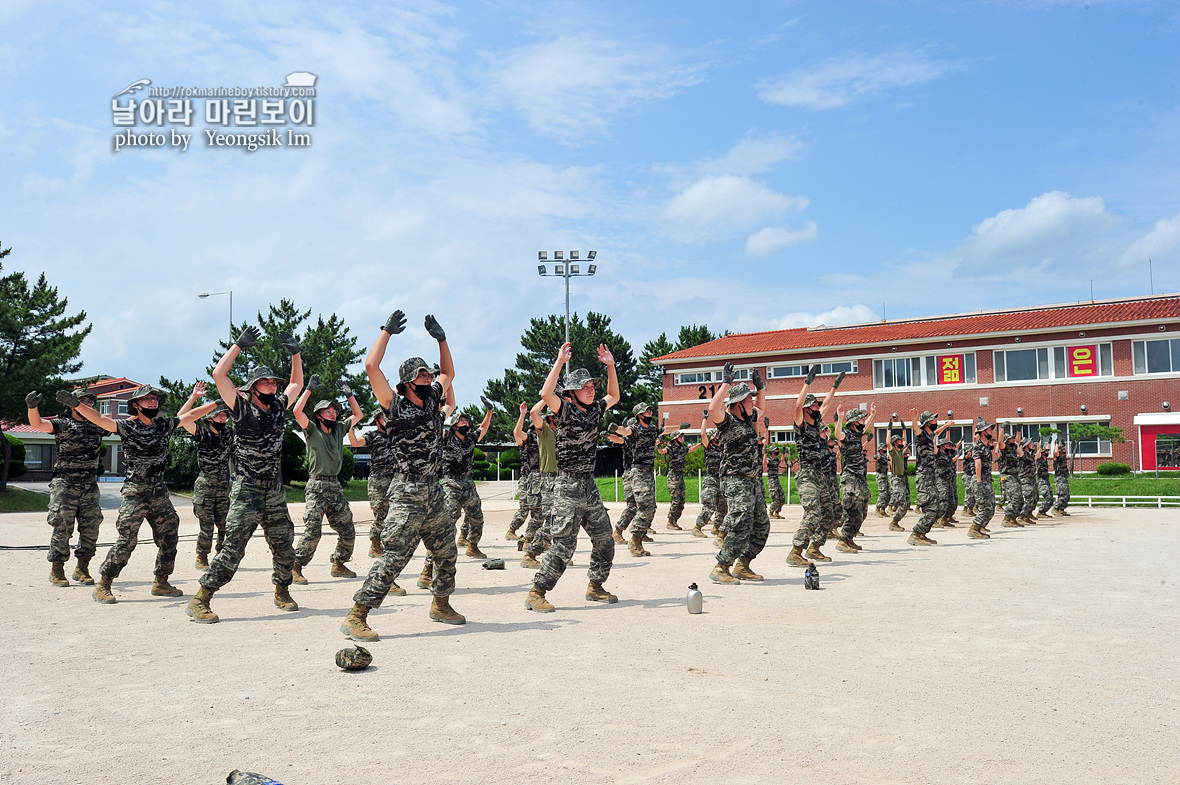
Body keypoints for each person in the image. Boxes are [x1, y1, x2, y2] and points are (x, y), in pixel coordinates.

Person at [341, 312, 465, 641]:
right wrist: (386, 332)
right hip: (407, 492)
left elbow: (449, 373)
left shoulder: (433, 400)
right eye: (421, 376)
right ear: (408, 382)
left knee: (446, 552)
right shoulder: (394, 405)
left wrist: (442, 339)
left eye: (428, 375)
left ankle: (440, 604)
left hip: (433, 492)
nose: (428, 379)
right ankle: (357, 615)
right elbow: (371, 367)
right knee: (395, 555)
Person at [186, 326, 305, 623]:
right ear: (253, 387)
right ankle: (201, 598)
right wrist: (238, 346)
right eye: (264, 382)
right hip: (247, 490)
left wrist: (296, 353)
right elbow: (219, 375)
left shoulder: (278, 407)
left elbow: (296, 383)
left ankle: (282, 590)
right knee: (233, 549)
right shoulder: (239, 407)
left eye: (272, 381)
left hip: (274, 490)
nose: (271, 385)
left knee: (284, 546)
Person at [72, 385, 217, 603]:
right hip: (136, 491)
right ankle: (104, 583)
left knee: (169, 535)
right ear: (135, 405)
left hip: (158, 490)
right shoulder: (127, 426)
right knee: (127, 539)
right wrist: (76, 405)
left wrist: (217, 403)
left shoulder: (164, 424)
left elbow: (192, 415)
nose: (152, 402)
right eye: (147, 399)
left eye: (155, 399)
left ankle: (161, 581)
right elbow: (100, 418)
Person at [524, 341, 621, 613]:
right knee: (565, 543)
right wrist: (558, 361)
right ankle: (536, 592)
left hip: (589, 484)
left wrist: (611, 366)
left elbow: (614, 395)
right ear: (572, 392)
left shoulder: (595, 410)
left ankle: (595, 586)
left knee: (605, 539)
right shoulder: (564, 410)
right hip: (566, 485)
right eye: (585, 387)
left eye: (593, 386)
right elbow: (546, 391)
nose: (591, 390)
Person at [25, 387, 105, 587]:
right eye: (83, 401)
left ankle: (82, 568)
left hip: (89, 484)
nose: (88, 405)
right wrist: (32, 408)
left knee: (91, 528)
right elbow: (37, 424)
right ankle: (57, 569)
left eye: (90, 402)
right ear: (71, 404)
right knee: (62, 526)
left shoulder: (97, 425)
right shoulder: (62, 424)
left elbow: (123, 425)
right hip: (65, 483)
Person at [703, 363, 770, 584]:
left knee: (761, 525)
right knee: (741, 520)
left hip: (753, 480)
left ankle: (743, 565)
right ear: (739, 404)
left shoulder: (748, 418)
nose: (752, 402)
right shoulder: (728, 422)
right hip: (735, 479)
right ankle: (721, 567)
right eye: (748, 399)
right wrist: (726, 383)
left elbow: (761, 408)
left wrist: (761, 388)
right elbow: (713, 409)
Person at [291, 376, 363, 582]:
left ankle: (339, 564)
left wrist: (349, 394)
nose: (333, 413)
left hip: (335, 486)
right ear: (318, 415)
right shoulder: (312, 430)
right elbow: (297, 411)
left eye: (335, 410)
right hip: (316, 486)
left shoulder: (339, 429)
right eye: (328, 411)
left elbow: (358, 414)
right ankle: (295, 567)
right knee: (313, 531)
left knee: (348, 528)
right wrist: (309, 390)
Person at [787, 365, 843, 566]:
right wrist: (807, 383)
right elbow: (796, 406)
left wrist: (834, 387)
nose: (818, 408)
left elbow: (826, 404)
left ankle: (814, 548)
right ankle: (795, 551)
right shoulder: (801, 425)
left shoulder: (817, 424)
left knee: (829, 515)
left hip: (819, 474)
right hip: (806, 474)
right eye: (814, 406)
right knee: (813, 513)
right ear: (807, 408)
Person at [177, 382, 233, 570]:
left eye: (225, 414)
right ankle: (202, 556)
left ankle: (222, 554)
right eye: (219, 414)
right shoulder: (201, 433)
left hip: (224, 484)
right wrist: (193, 398)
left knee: (225, 523)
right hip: (205, 484)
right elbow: (181, 418)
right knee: (207, 525)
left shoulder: (229, 434)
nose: (223, 417)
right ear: (209, 419)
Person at [438, 398, 495, 558]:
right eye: (461, 420)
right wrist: (438, 408)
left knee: (477, 517)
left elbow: (483, 428)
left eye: (466, 420)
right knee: (449, 517)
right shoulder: (446, 437)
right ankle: (442, 551)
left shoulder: (470, 439)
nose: (465, 422)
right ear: (454, 425)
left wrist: (489, 411)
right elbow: (435, 426)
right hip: (450, 482)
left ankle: (472, 546)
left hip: (468, 483)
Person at [348, 410, 394, 558]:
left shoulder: (396, 435)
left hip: (396, 478)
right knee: (381, 512)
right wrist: (349, 426)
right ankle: (375, 544)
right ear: (377, 420)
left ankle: (390, 543)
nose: (387, 419)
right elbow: (355, 443)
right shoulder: (372, 435)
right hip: (378, 479)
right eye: (383, 417)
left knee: (395, 512)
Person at [520, 402, 558, 567]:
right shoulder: (545, 432)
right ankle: (531, 553)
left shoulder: (565, 433)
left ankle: (560, 554)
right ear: (550, 418)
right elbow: (534, 412)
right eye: (556, 416)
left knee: (566, 519)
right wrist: (547, 398)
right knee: (552, 519)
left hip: (566, 478)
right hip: (550, 479)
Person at [835, 404, 875, 553]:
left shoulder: (857, 434)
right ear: (853, 421)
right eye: (861, 418)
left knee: (863, 511)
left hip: (860, 477)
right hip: (850, 476)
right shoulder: (846, 434)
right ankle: (843, 540)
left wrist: (872, 414)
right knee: (852, 508)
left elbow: (866, 426)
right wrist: (839, 418)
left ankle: (849, 538)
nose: (863, 420)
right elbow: (838, 434)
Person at [907, 409, 951, 546]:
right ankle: (915, 534)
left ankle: (922, 533)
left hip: (931, 475)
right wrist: (914, 419)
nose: (935, 422)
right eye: (933, 420)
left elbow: (936, 433)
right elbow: (916, 430)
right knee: (930, 507)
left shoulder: (931, 436)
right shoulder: (921, 435)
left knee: (938, 507)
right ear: (926, 423)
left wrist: (947, 426)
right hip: (924, 475)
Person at [507, 401, 541, 542]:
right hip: (527, 478)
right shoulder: (529, 439)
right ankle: (512, 530)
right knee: (526, 508)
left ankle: (532, 535)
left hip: (536, 478)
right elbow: (516, 433)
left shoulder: (544, 440)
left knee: (534, 508)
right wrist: (523, 414)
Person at [693, 411, 727, 540]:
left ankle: (717, 527)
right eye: (716, 436)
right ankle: (697, 527)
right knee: (710, 505)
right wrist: (704, 419)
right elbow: (702, 434)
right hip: (711, 480)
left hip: (721, 480)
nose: (718, 437)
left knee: (723, 507)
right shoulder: (709, 447)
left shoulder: (722, 448)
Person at [968, 417, 998, 539]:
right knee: (984, 506)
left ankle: (980, 527)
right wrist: (979, 482)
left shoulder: (985, 447)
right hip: (980, 480)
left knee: (991, 506)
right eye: (989, 429)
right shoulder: (978, 446)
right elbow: (977, 464)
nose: (991, 431)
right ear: (983, 432)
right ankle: (974, 528)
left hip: (986, 480)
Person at [662, 427, 691, 529]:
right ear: (675, 438)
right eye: (680, 436)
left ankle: (675, 521)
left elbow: (690, 450)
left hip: (680, 475)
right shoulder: (670, 448)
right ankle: (670, 521)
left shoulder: (683, 448)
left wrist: (702, 443)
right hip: (673, 475)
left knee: (682, 500)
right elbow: (662, 451)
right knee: (675, 499)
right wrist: (658, 444)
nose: (682, 438)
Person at [997, 427, 1025, 528]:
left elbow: (1018, 445)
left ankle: (1012, 519)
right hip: (1007, 476)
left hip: (1015, 475)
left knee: (1020, 499)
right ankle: (1007, 519)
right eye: (1010, 439)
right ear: (1006, 440)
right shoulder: (1005, 449)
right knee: (1014, 497)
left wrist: (1018, 431)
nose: (1013, 440)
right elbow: (1000, 442)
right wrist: (1002, 428)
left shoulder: (1013, 448)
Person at [887, 424, 911, 532]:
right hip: (896, 479)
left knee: (906, 503)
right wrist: (889, 429)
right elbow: (888, 443)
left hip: (902, 479)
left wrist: (904, 429)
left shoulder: (901, 451)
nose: (901, 443)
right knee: (902, 503)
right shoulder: (893, 452)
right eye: (899, 441)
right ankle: (894, 522)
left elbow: (905, 441)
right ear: (895, 443)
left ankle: (895, 520)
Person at [932, 436, 958, 528]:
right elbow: (933, 445)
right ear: (942, 446)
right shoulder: (938, 454)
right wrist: (934, 436)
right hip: (940, 479)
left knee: (952, 501)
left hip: (948, 480)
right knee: (943, 500)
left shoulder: (947, 455)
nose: (949, 446)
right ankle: (935, 519)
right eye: (947, 444)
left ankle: (944, 519)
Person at [764, 428, 787, 519]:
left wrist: (784, 454)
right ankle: (771, 512)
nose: (777, 451)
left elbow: (781, 461)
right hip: (772, 480)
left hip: (777, 479)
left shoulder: (776, 459)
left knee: (782, 497)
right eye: (776, 450)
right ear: (772, 452)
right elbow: (764, 463)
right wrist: (765, 454)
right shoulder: (769, 459)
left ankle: (777, 512)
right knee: (776, 497)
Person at [1018, 437, 1038, 525]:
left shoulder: (1030, 455)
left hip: (1031, 478)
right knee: (1028, 498)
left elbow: (1038, 455)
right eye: (1030, 443)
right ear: (1026, 445)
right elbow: (1018, 449)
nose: (1032, 444)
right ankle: (1021, 516)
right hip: (1025, 478)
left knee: (1033, 498)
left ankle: (1026, 516)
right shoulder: (1023, 454)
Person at [873, 436, 891, 518]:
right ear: (880, 449)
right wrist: (877, 457)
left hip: (885, 476)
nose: (885, 448)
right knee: (882, 493)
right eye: (883, 447)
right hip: (880, 476)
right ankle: (877, 509)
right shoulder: (879, 455)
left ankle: (883, 509)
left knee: (887, 493)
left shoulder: (886, 456)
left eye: (885, 447)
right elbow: (876, 458)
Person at [1051, 442, 1071, 516]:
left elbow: (1066, 451)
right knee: (1062, 495)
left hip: (1064, 478)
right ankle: (1055, 509)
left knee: (1067, 496)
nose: (1065, 450)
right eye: (1063, 449)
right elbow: (1055, 453)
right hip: (1059, 478)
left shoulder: (1063, 457)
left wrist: (1064, 445)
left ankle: (1061, 509)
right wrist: (1056, 444)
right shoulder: (1057, 458)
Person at [1035, 441, 1054, 518]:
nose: (1047, 452)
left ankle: (1043, 512)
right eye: (1045, 451)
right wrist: (1039, 445)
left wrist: (1049, 443)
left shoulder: (1045, 459)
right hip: (1042, 480)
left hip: (1046, 480)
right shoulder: (1039, 459)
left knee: (1051, 498)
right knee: (1047, 497)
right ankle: (1040, 512)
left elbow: (1047, 450)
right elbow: (1037, 453)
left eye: (1047, 451)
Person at [960, 437, 978, 518]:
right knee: (969, 493)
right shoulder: (966, 458)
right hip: (967, 477)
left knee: (973, 494)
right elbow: (967, 456)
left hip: (972, 477)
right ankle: (965, 509)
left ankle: (970, 510)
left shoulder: (973, 458)